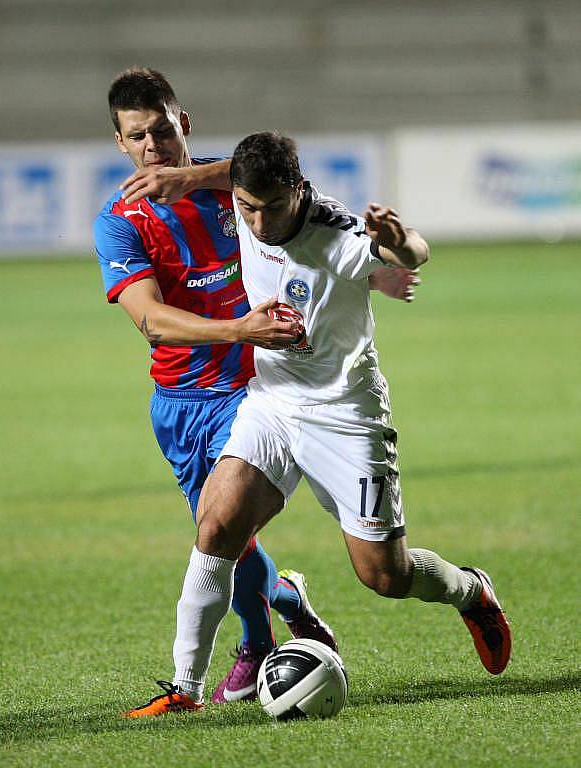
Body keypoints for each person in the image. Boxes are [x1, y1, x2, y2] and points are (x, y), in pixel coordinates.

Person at [125, 131, 511, 716]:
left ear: (299, 191)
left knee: (383, 575)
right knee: (217, 522)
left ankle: (469, 590)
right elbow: (229, 175)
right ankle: (186, 690)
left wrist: (399, 244)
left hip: (347, 416)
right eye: (247, 207)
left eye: (271, 207)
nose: (256, 222)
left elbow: (414, 254)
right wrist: (186, 177)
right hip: (274, 404)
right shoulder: (241, 198)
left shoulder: (341, 235)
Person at [94, 69, 417, 709]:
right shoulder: (119, 221)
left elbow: (310, 214)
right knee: (224, 540)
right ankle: (289, 604)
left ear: (182, 122)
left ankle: (248, 652)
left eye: (162, 129)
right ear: (120, 144)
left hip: (256, 385)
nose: (153, 145)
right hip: (182, 397)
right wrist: (238, 325)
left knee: (221, 533)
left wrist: (374, 272)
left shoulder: (240, 186)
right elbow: (153, 322)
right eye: (138, 137)